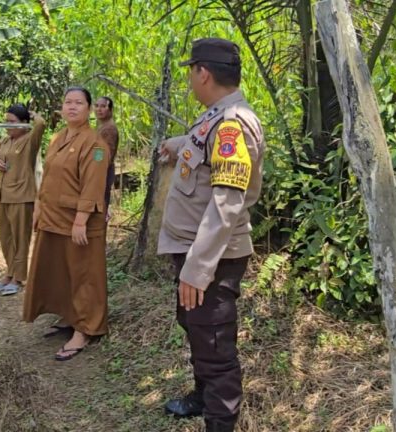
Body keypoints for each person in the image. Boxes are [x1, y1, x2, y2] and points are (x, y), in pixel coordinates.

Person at [157, 38, 265, 432]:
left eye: (191, 71)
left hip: (211, 259)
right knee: (198, 331)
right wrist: (178, 145)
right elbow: (205, 151)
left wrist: (198, 270)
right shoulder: (217, 115)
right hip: (193, 251)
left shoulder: (232, 124)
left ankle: (220, 421)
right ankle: (203, 396)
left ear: (203, 73)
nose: (190, 78)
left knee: (215, 346)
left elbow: (226, 204)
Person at [23, 86, 110, 361]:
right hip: (53, 217)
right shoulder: (58, 138)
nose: (72, 107)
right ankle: (70, 316)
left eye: (78, 103)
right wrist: (38, 208)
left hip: (78, 221)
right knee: (60, 271)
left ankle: (85, 329)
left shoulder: (95, 144)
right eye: (68, 102)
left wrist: (81, 220)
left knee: (84, 274)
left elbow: (93, 185)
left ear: (89, 109)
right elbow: (47, 177)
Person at [0, 104, 46, 296]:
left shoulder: (29, 140)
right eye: (6, 121)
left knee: (20, 238)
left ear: (23, 123)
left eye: (12, 122)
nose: (8, 125)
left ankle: (18, 278)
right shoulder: (4, 141)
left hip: (22, 196)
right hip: (2, 195)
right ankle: (9, 273)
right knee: (6, 238)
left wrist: (32, 114)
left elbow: (41, 124)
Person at [94, 96, 119, 213]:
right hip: (100, 171)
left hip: (102, 172)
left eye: (103, 106)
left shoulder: (109, 129)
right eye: (97, 106)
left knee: (99, 208)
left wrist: (94, 166)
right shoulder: (102, 126)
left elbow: (104, 154)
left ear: (110, 109)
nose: (99, 109)